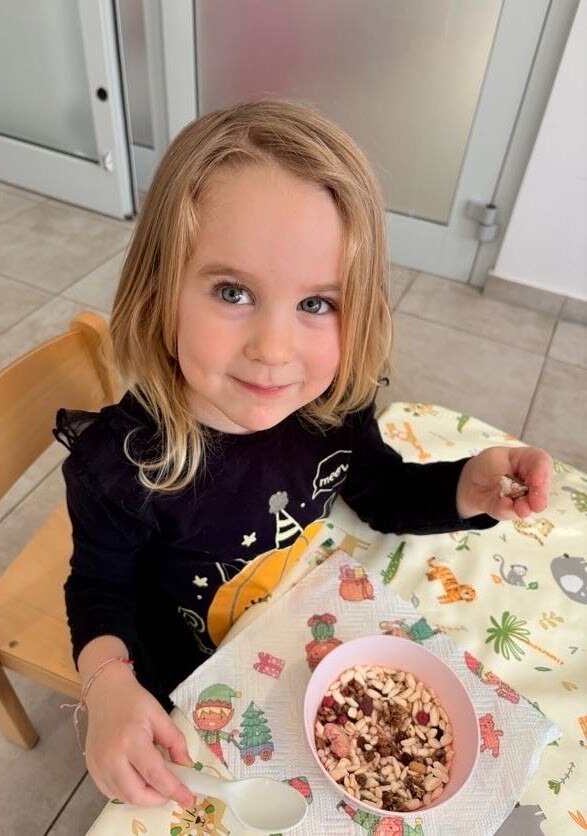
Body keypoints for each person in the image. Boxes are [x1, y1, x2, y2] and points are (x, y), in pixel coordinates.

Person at [54, 99, 552, 809]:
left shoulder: (330, 407)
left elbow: (379, 491)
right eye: (233, 292)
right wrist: (107, 687)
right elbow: (98, 590)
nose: (274, 349)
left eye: (317, 303)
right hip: (187, 681)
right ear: (161, 291)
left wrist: (464, 489)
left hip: (303, 638)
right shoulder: (121, 467)